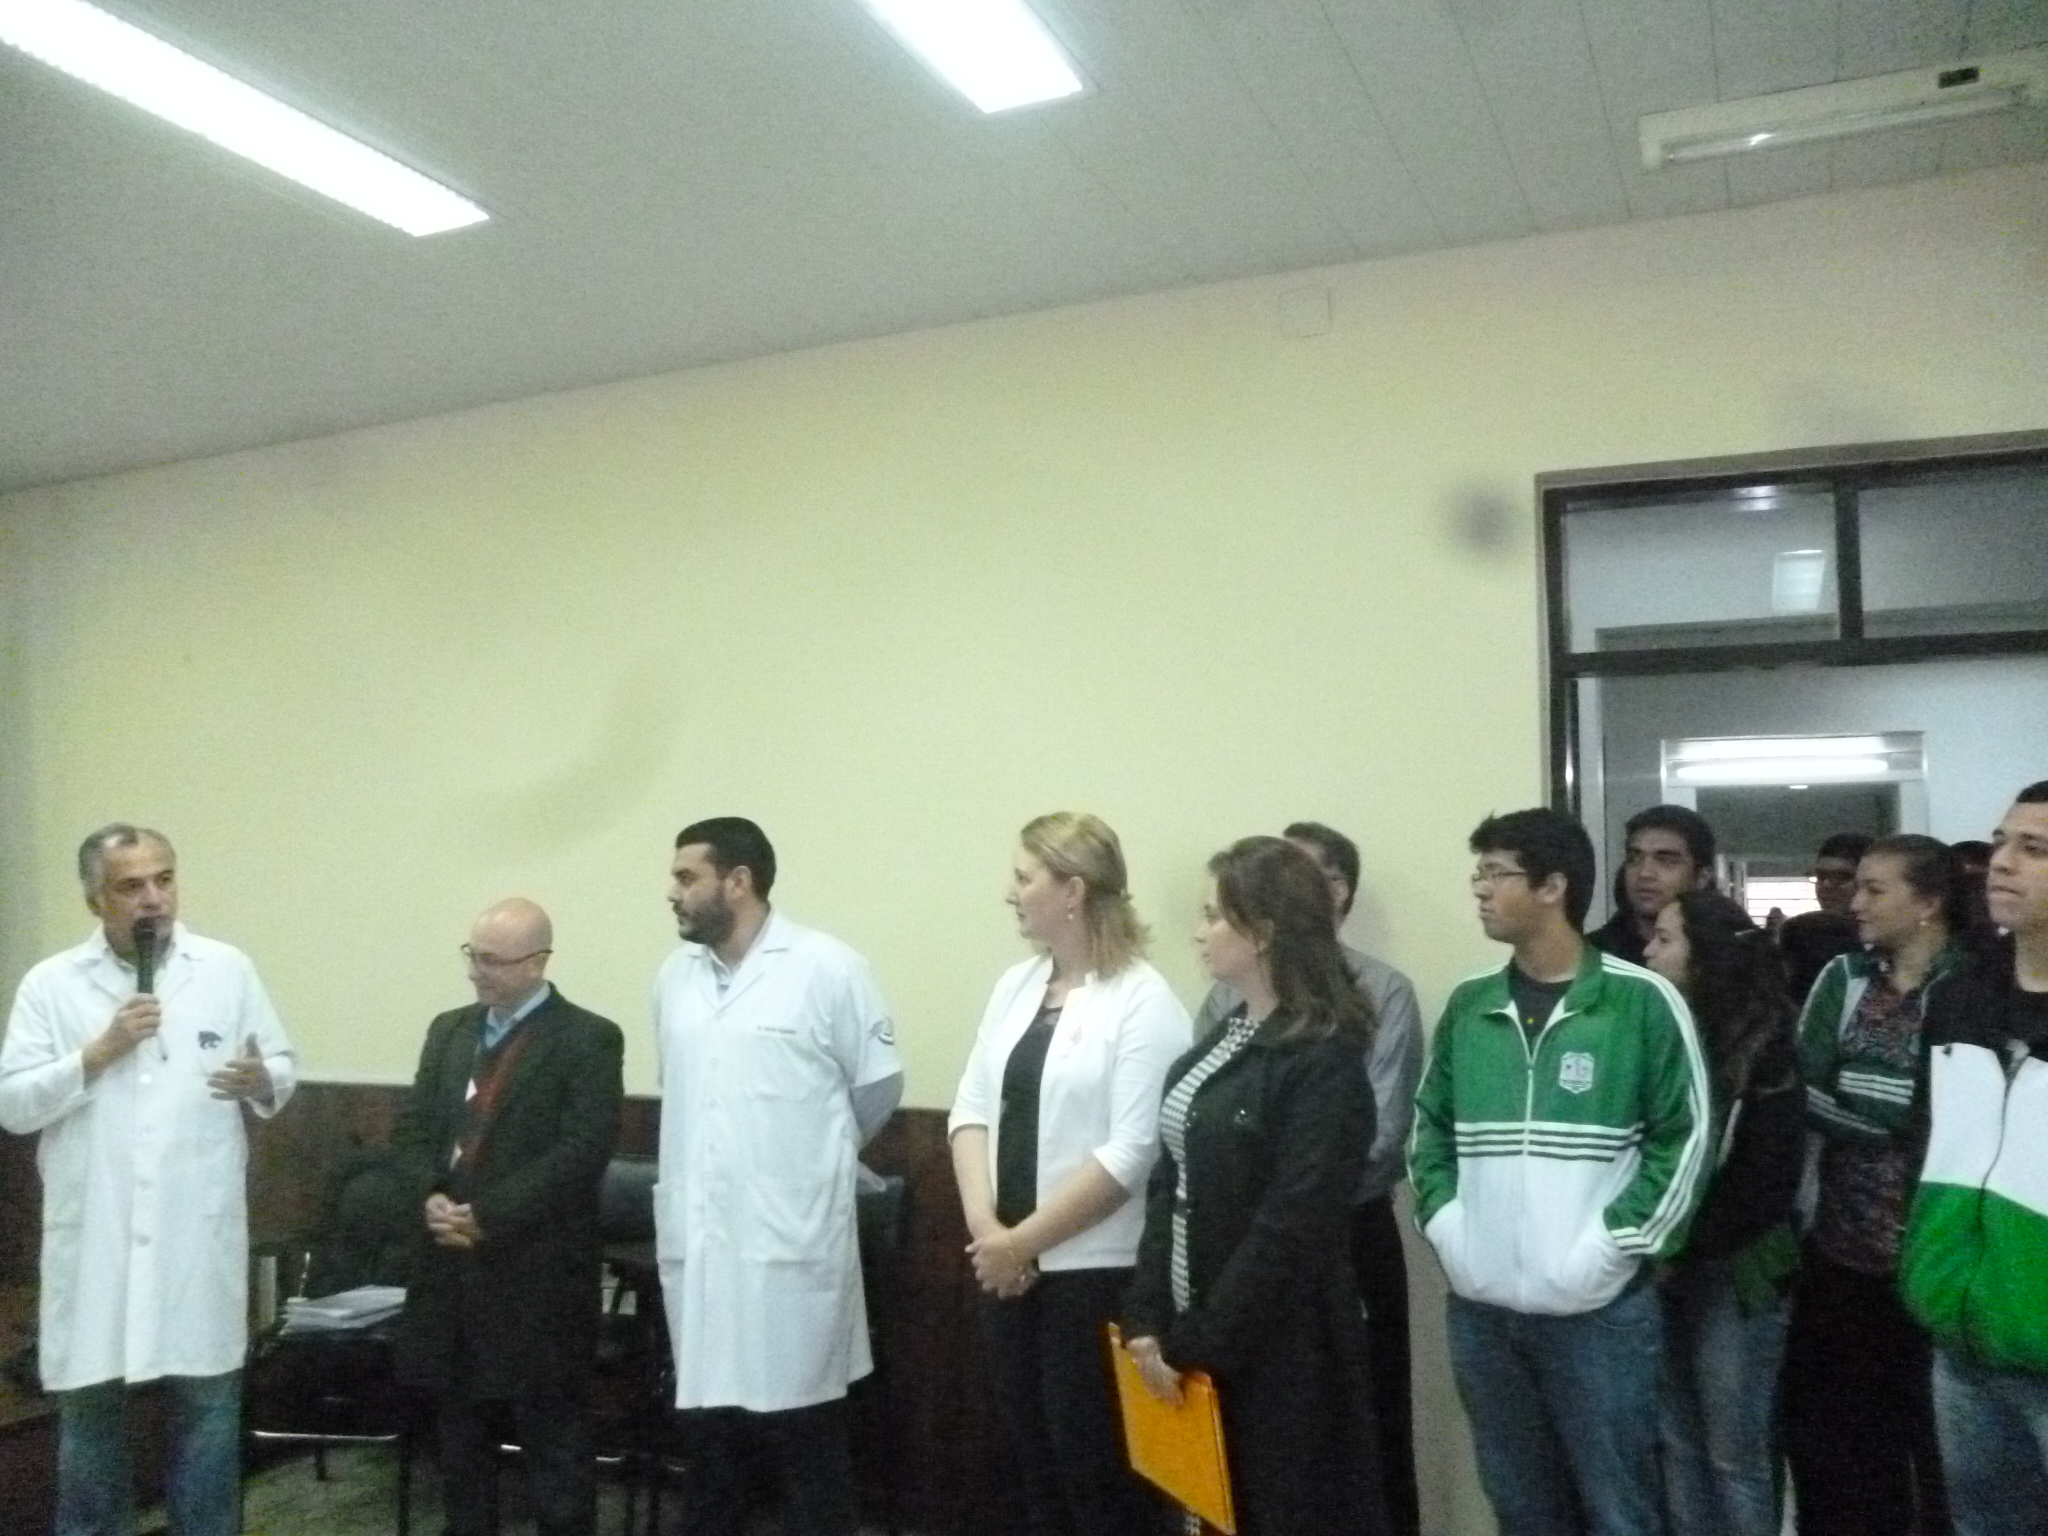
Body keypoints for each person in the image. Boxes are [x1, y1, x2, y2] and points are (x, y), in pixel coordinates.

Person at [1410, 808, 1709, 1536]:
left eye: (1496, 873)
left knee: (1620, 1512)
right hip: (1484, 1313)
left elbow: (1687, 1138)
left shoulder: (1641, 1002)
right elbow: (1429, 1130)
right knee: (1521, 1509)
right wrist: (1449, 1229)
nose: (1480, 889)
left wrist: (1610, 1248)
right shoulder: (1471, 1004)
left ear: (1552, 887)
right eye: (1478, 873)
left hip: (1598, 1317)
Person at [0, 824, 297, 1536]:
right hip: (97, 1242)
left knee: (208, 1415)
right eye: (131, 886)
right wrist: (97, 1052)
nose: (153, 899)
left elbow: (281, 1063)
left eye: (163, 879)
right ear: (95, 900)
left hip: (195, 1238)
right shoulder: (52, 983)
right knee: (91, 1424)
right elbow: (13, 1105)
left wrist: (263, 1079)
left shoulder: (225, 969)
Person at [1124, 836, 1385, 1535]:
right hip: (1192, 1336)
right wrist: (1148, 1317)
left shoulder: (1323, 1061)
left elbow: (1290, 1229)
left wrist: (1198, 1340)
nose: (1198, 932)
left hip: (1278, 1351)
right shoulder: (1228, 1035)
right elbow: (1169, 1185)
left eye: (1214, 915)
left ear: (1264, 931)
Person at [652, 817, 904, 1536]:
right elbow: (688, 1096)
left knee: (806, 1438)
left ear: (738, 882)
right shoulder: (674, 979)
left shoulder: (828, 968)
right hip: (704, 1245)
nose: (672, 892)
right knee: (710, 1441)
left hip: (791, 1246)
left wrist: (812, 1161)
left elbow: (876, 1088)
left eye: (686, 877)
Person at [949, 813, 1190, 1536]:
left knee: (1098, 1477)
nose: (1010, 892)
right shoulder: (1016, 986)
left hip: (1094, 1276)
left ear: (1074, 890)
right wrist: (990, 1232)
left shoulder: (1144, 1000)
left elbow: (1131, 1151)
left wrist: (1022, 1242)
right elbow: (970, 1110)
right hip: (1007, 1270)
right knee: (1035, 1471)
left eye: (1024, 877)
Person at [1190, 819, 1424, 1536]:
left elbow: (1377, 1139)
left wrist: (1284, 1188)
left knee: (1356, 1439)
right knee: (1237, 1462)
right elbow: (1199, 1130)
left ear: (1334, 892)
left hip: (1342, 1237)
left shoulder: (1380, 994)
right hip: (1232, 1246)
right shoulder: (1224, 1001)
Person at [391, 899, 625, 1536]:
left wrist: (488, 1215)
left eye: (493, 961)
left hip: (536, 1270)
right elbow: (414, 1130)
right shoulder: (449, 1030)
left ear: (537, 963)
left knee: (552, 1435)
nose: (477, 972)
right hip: (449, 1265)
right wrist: (429, 1196)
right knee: (458, 1432)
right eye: (473, 955)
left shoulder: (588, 1038)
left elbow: (581, 1151)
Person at [1782, 832, 1971, 1536]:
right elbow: (1803, 1088)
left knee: (1942, 1451)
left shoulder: (1972, 985)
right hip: (1840, 1254)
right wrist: (1889, 1110)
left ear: (1928, 903)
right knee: (1843, 1446)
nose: (1855, 902)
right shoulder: (1844, 977)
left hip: (1938, 1260)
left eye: (1874, 889)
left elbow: (1938, 1115)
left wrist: (1868, 1095)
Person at [1900, 785, 2048, 1536]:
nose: (2003, 863)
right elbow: (1928, 1143)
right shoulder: (1960, 998)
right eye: (2000, 843)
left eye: (2034, 849)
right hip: (1964, 1340)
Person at [1643, 890, 1804, 1536]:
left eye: (1664, 940)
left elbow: (1765, 1186)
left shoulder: (1766, 1048)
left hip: (1737, 1272)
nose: (1648, 952)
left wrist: (1675, 1248)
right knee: (1678, 1441)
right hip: (1665, 1267)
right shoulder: (1662, 1033)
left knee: (1733, 1453)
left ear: (1704, 957)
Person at [1588, 804, 1718, 965]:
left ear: (1702, 877)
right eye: (1634, 859)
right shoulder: (1593, 956)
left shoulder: (1726, 954)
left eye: (1666, 861)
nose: (1644, 873)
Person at [1779, 832, 1876, 1004]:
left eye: (1843, 877)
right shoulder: (1802, 933)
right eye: (1821, 877)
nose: (1826, 885)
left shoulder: (1887, 939)